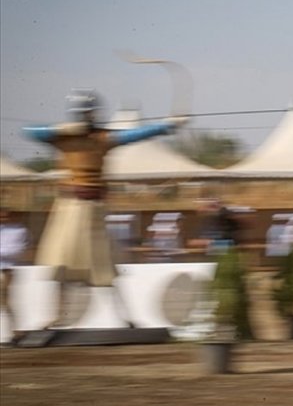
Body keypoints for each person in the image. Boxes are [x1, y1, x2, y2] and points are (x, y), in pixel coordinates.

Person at [21, 89, 188, 328]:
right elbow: (28, 132)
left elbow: (133, 135)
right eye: (89, 112)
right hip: (69, 208)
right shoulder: (63, 137)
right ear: (83, 113)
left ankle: (125, 317)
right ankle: (55, 317)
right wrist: (61, 130)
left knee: (103, 265)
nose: (92, 116)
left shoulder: (101, 138)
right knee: (62, 265)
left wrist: (166, 126)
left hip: (92, 210)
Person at [1, 207, 28, 339]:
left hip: (6, 269)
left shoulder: (19, 230)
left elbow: (15, 251)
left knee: (5, 301)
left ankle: (15, 330)